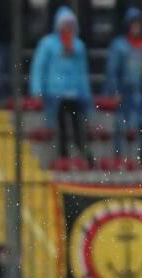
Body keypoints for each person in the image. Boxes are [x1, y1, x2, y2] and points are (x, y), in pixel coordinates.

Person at [29, 7, 94, 164]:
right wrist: (37, 90)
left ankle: (85, 155)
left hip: (74, 94)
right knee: (60, 127)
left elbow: (82, 73)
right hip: (55, 93)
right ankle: (63, 157)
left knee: (78, 126)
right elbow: (39, 68)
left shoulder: (78, 46)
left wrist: (86, 96)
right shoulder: (48, 44)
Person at [104, 7, 142, 164]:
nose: (136, 27)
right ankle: (118, 159)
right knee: (120, 125)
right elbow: (112, 70)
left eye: (138, 24)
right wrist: (115, 90)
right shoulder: (119, 46)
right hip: (125, 93)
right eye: (133, 24)